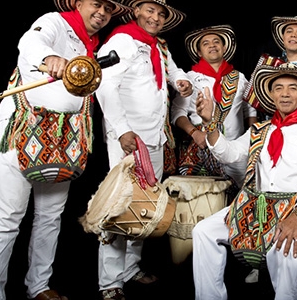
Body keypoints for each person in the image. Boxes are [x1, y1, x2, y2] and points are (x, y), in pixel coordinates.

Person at [0, 0, 131, 299]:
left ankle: (38, 286)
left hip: (65, 138)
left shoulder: (94, 48)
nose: (102, 12)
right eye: (95, 4)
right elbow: (30, 41)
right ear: (78, 3)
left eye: (108, 9)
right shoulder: (54, 22)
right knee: (6, 217)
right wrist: (50, 57)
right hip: (23, 128)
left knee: (50, 217)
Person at [192, 63, 297, 300]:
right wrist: (211, 123)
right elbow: (229, 153)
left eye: (292, 88)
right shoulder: (259, 130)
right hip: (256, 206)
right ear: (271, 94)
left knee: (286, 252)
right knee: (203, 231)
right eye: (278, 88)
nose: (285, 94)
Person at [93, 0, 192, 299]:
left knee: (145, 203)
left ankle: (131, 268)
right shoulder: (123, 40)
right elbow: (105, 84)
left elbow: (173, 71)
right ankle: (110, 282)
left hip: (155, 136)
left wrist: (182, 81)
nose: (156, 17)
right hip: (129, 136)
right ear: (136, 11)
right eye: (150, 10)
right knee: (119, 205)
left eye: (161, 14)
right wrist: (123, 129)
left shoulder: (158, 45)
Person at [241, 14, 297, 284]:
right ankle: (258, 257)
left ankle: (281, 257)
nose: (293, 36)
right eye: (289, 31)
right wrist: (255, 132)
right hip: (270, 128)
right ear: (282, 37)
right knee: (259, 186)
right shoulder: (268, 64)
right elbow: (254, 101)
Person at [171, 24, 256, 196]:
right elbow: (176, 113)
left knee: (240, 196)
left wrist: (252, 140)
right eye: (206, 43)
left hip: (235, 147)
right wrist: (195, 133)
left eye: (216, 41)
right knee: (200, 200)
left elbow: (251, 111)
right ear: (199, 53)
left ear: (224, 47)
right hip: (201, 147)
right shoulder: (190, 78)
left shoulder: (239, 78)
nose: (212, 45)